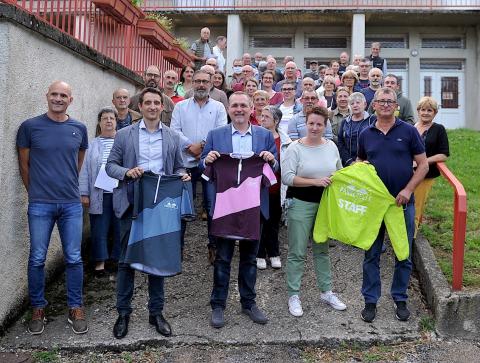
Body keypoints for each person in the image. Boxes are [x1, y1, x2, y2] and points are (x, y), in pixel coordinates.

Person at [106, 87, 189, 339]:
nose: (153, 107)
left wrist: (182, 175)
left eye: (157, 103)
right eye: (148, 103)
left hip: (159, 207)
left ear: (162, 107)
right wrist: (127, 172)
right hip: (131, 203)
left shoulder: (173, 137)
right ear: (139, 106)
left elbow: (178, 166)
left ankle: (156, 313)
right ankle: (123, 313)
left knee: (157, 260)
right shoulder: (123, 135)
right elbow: (110, 166)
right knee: (125, 261)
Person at [16, 81, 89, 335]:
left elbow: (77, 162)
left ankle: (75, 307)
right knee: (37, 258)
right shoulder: (30, 127)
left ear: (71, 99)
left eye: (63, 95)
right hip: (40, 204)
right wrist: (35, 192)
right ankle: (38, 308)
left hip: (71, 204)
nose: (58, 98)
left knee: (74, 257)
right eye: (54, 94)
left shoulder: (79, 128)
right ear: (46, 96)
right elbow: (24, 165)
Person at [201, 92, 278, 329]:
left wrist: (270, 159)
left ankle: (248, 302)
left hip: (254, 207)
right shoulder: (216, 135)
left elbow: (274, 166)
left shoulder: (265, 136)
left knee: (249, 259)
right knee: (223, 258)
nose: (239, 109)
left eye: (243, 105)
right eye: (234, 105)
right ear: (228, 109)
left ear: (251, 108)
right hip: (226, 207)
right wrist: (207, 159)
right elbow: (203, 166)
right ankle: (218, 305)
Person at [357, 87, 428, 323]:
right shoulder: (365, 133)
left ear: (396, 105)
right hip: (375, 206)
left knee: (403, 253)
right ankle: (370, 300)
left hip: (402, 204)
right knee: (371, 254)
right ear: (374, 105)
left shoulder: (408, 131)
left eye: (390, 101)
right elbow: (360, 162)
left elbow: (423, 165)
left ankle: (400, 298)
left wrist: (408, 190)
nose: (386, 104)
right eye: (381, 101)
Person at [282, 106, 347, 317]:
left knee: (322, 250)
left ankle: (326, 291)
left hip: (325, 205)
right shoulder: (294, 148)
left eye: (319, 124)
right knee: (297, 251)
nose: (315, 127)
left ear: (325, 125)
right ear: (305, 124)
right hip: (300, 203)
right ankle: (294, 294)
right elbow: (288, 177)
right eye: (311, 123)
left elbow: (338, 173)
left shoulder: (331, 147)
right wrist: (315, 182)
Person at [171, 70, 228, 264]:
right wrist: (189, 146)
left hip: (210, 164)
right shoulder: (180, 107)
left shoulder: (219, 107)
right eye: (197, 81)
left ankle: (213, 247)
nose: (201, 85)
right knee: (182, 209)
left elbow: (220, 132)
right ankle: (176, 249)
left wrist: (202, 147)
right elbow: (174, 131)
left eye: (205, 81)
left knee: (212, 208)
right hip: (185, 163)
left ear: (212, 84)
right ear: (192, 83)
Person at [79, 107, 121, 278]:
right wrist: (84, 193)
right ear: (99, 122)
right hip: (99, 193)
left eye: (112, 118)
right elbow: (84, 171)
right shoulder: (91, 144)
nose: (109, 121)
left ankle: (117, 260)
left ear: (116, 121)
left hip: (120, 192)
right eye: (105, 118)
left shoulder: (123, 141)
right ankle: (100, 263)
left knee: (120, 228)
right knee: (99, 229)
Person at [257, 106, 291, 270]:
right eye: (261, 116)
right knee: (260, 220)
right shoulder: (256, 136)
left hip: (277, 186)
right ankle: (259, 253)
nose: (262, 119)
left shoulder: (285, 141)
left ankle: (274, 252)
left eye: (266, 117)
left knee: (273, 221)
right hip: (258, 187)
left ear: (276, 121)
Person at [413, 97, 449, 237]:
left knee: (417, 204)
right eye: (423, 109)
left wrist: (423, 162)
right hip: (407, 172)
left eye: (430, 110)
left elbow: (444, 154)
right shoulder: (412, 127)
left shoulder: (439, 129)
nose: (426, 113)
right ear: (418, 111)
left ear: (435, 113)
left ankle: (412, 235)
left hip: (425, 174)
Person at [337, 92, 373, 166]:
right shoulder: (345, 122)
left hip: (368, 163)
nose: (355, 105)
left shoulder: (372, 120)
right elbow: (341, 143)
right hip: (348, 164)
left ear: (365, 104)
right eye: (352, 103)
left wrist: (365, 160)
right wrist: (349, 161)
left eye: (358, 102)